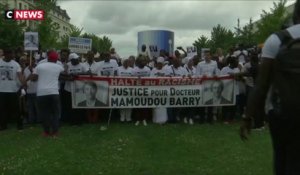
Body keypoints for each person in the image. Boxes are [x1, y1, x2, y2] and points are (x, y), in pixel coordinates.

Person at [240, 1, 300, 174]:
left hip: (282, 113)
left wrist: (247, 117)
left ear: (294, 15)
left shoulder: (277, 39)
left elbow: (261, 84)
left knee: (282, 160)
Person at [31, 51, 64, 137]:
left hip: (41, 93)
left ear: (48, 58)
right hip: (54, 92)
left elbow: (33, 79)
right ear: (56, 60)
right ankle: (55, 132)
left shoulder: (39, 66)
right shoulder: (59, 67)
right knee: (55, 113)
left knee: (45, 113)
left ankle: (46, 132)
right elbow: (64, 75)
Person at [0, 49, 25, 131]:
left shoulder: (16, 64)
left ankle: (19, 124)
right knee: (2, 109)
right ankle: (3, 125)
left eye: (13, 54)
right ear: (6, 54)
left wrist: (23, 83)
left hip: (13, 90)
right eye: (11, 54)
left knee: (16, 108)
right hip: (1, 89)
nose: (13, 55)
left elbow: (19, 75)